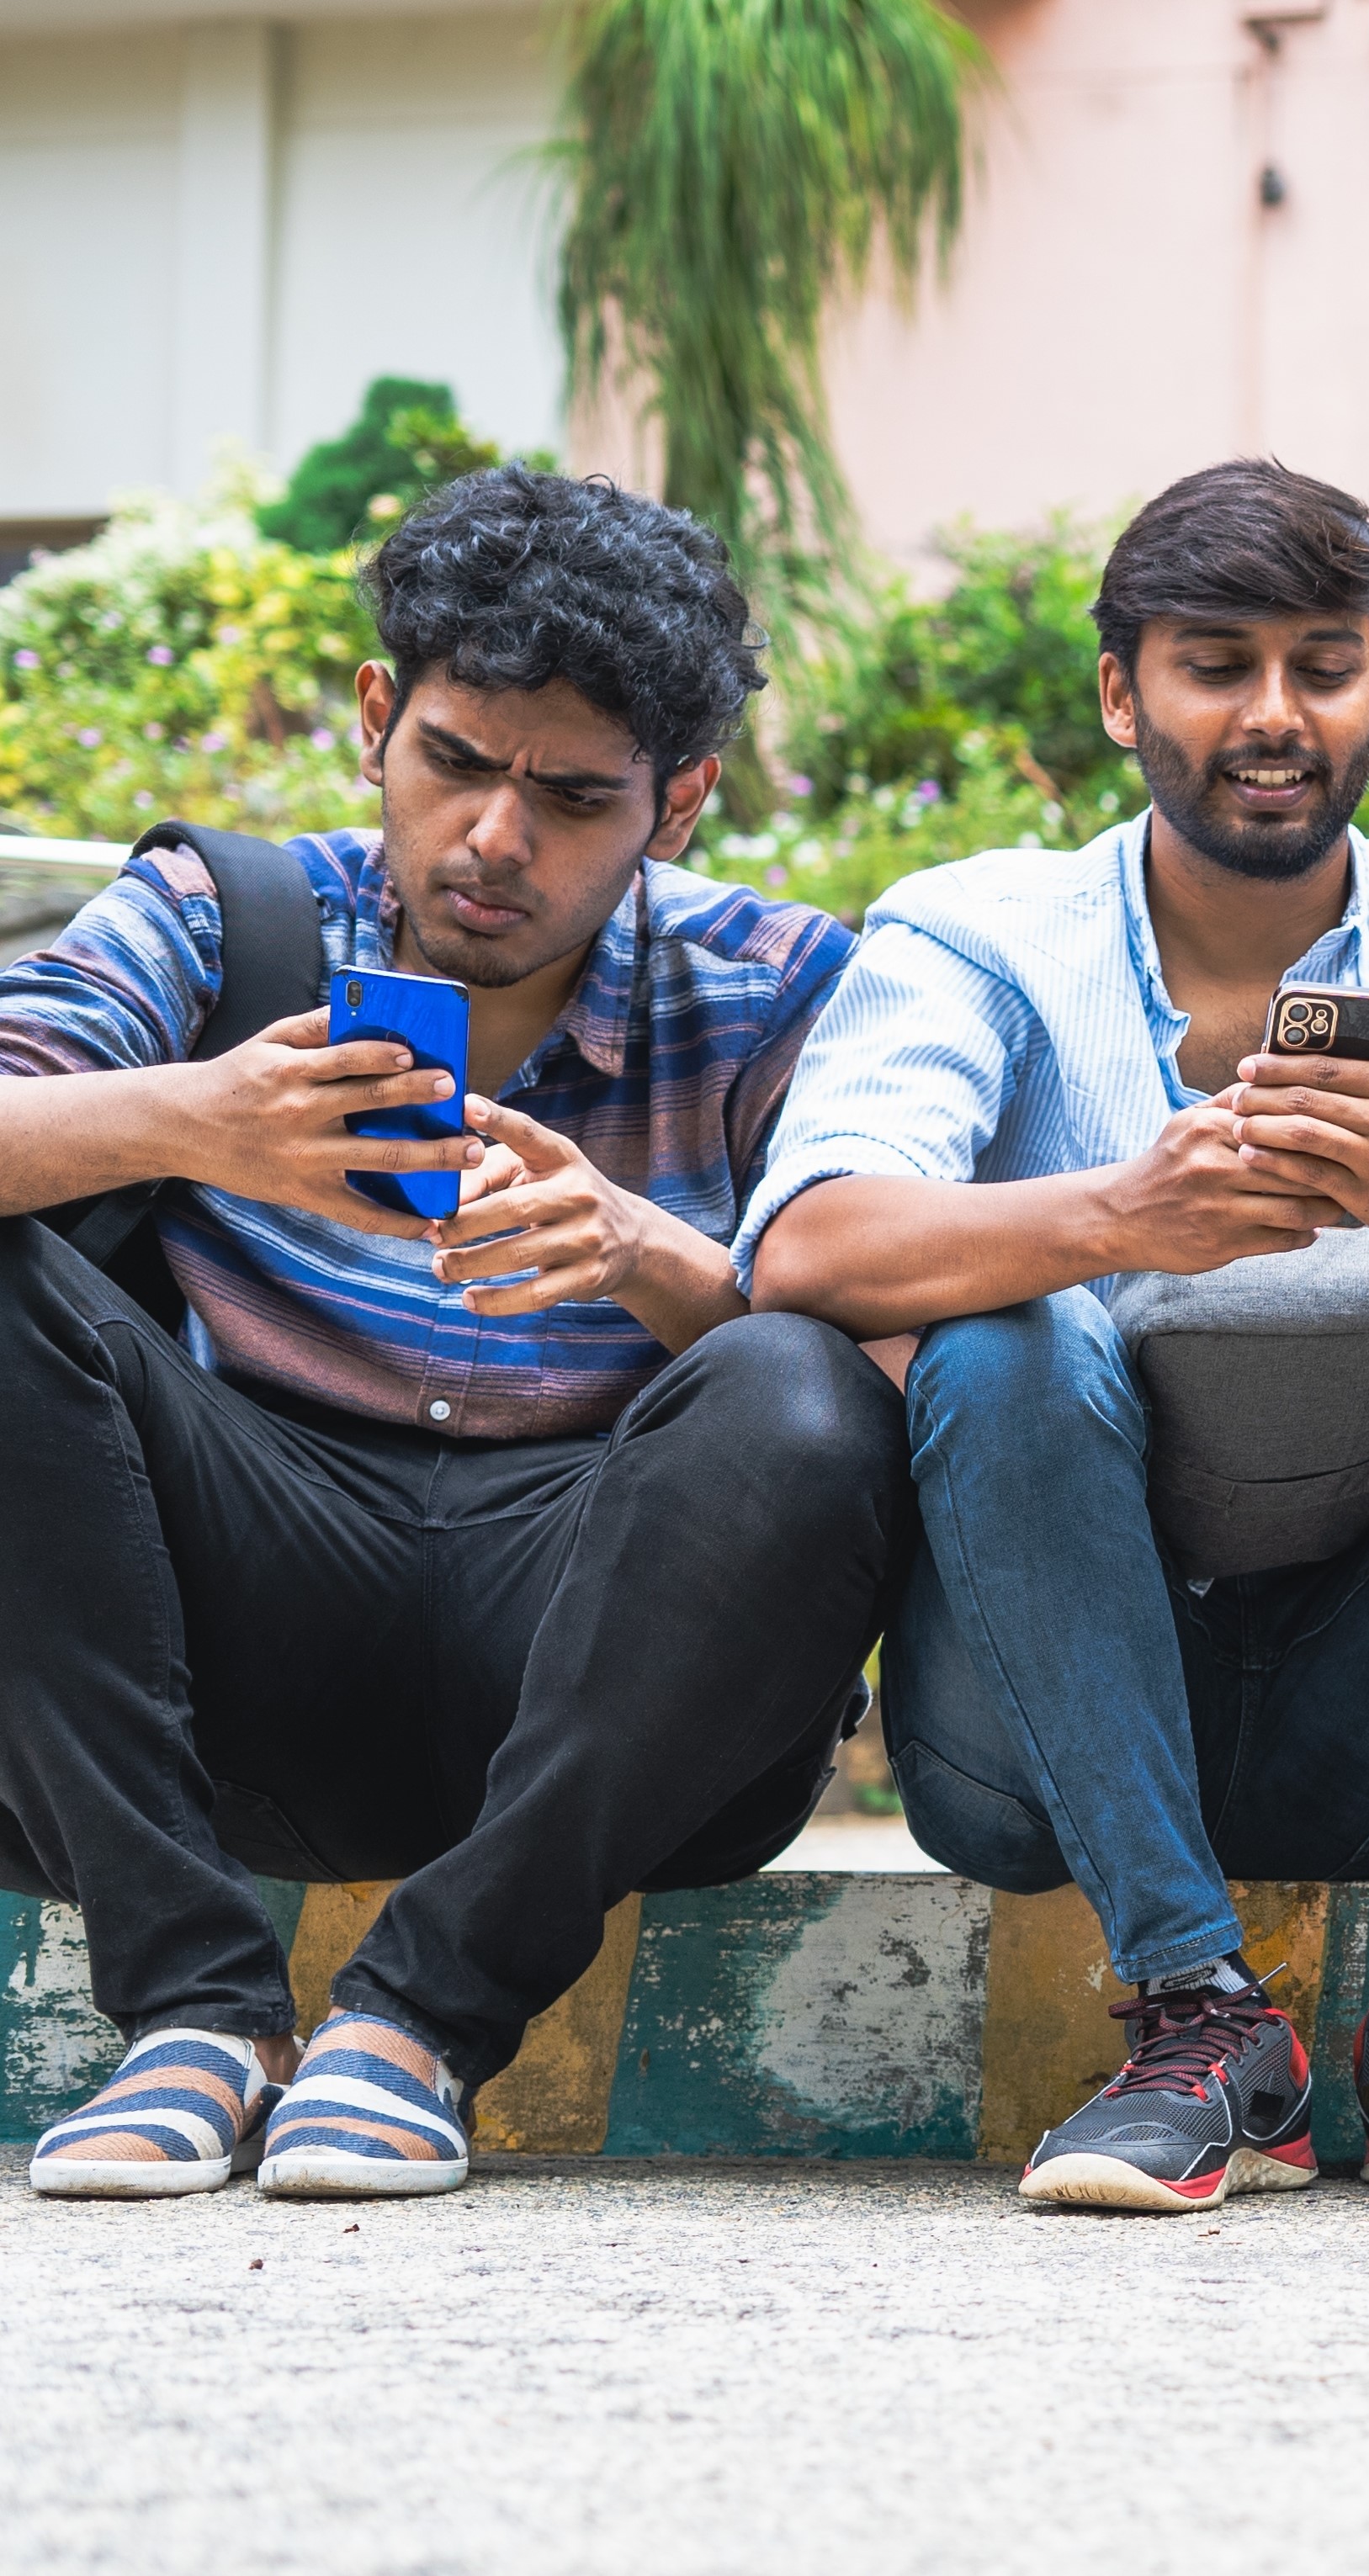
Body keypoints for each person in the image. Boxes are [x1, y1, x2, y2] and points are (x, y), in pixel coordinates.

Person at [740, 461, 1369, 2214]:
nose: (1275, 716)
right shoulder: (980, 932)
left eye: (1325, 662)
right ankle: (1197, 2022)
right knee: (1005, 1337)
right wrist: (1121, 1219)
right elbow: (809, 1242)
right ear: (1124, 689)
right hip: (1034, 1735)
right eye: (1217, 662)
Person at [0, 467, 906, 2201]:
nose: (494, 839)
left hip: (599, 1645)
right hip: (235, 1615)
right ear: (374, 722)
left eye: (571, 798)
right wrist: (192, 1117)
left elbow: (909, 1363)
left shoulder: (779, 982)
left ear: (684, 797)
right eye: (457, 763)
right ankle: (191, 2008)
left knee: (791, 1368)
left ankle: (416, 2026)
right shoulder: (221, 915)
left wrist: (651, 1258)